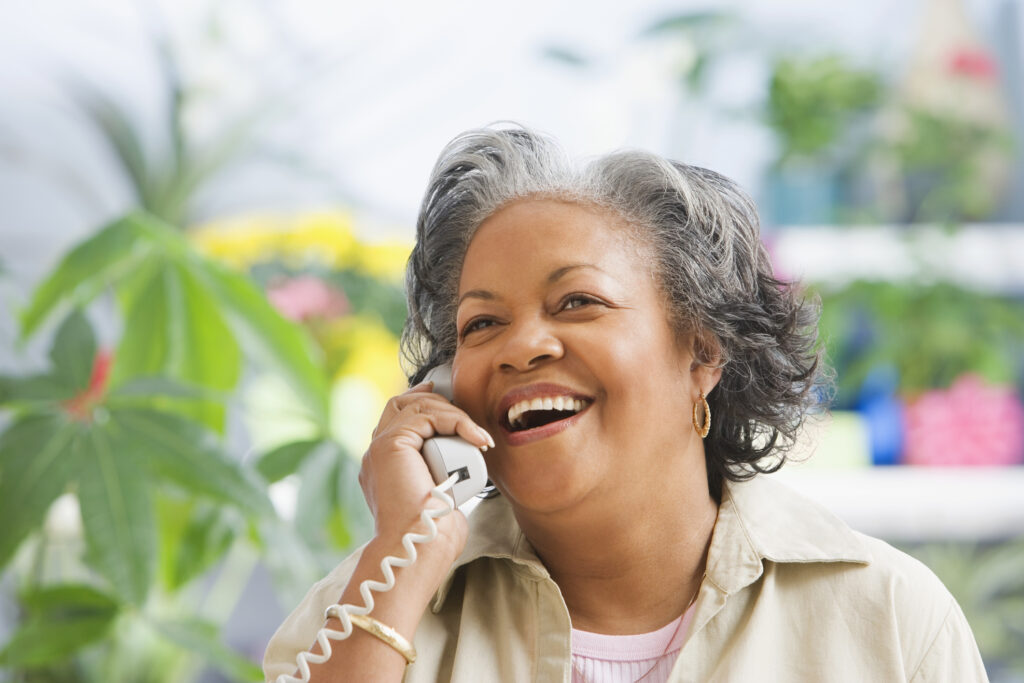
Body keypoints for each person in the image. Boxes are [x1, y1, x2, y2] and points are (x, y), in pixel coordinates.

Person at [263, 126, 988, 682]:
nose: (521, 347)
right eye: (481, 324)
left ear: (702, 354)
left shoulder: (892, 620)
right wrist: (403, 559)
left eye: (577, 301)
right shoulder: (366, 604)